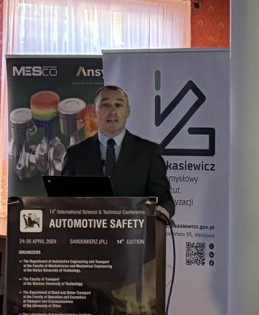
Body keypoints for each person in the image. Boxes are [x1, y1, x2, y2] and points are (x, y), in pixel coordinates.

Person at [61, 85, 175, 219]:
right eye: (105, 105)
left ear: (128, 111)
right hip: (87, 230)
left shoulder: (148, 152)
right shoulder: (75, 154)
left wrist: (163, 211)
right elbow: (61, 201)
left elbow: (164, 198)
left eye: (118, 105)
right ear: (94, 111)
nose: (113, 111)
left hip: (134, 230)